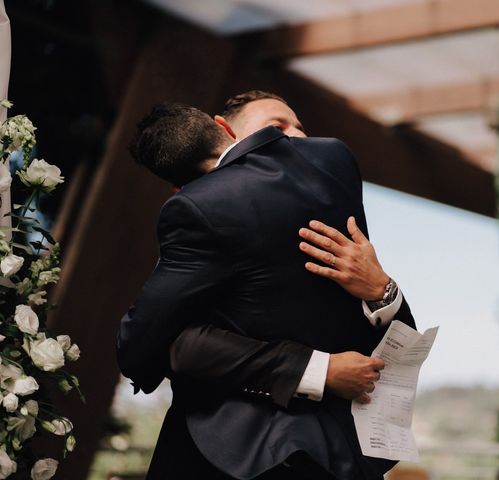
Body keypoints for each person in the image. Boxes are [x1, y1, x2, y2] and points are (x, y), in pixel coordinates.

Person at [117, 97, 415, 479]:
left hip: (341, 450)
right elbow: (185, 344)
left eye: (299, 128)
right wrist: (320, 370)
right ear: (228, 130)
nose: (294, 139)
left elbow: (400, 346)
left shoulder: (324, 186)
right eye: (276, 129)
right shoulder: (329, 163)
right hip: (246, 452)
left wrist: (383, 289)